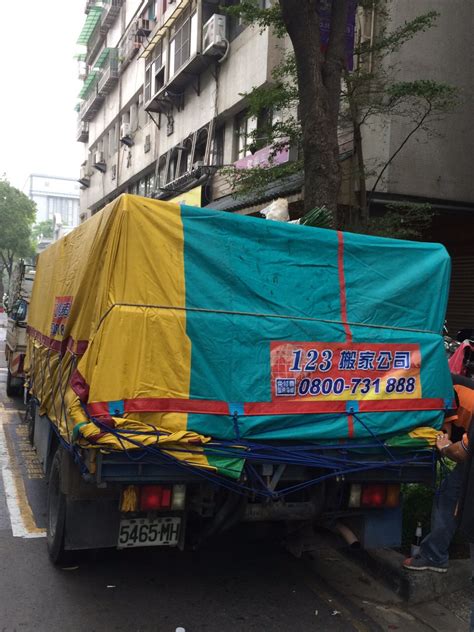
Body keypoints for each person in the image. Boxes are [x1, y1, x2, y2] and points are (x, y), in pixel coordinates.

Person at [403, 374, 474, 573]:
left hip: (468, 454)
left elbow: (460, 451)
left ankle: (434, 555)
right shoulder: (439, 382)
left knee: (448, 497)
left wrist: (444, 447)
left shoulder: (437, 385)